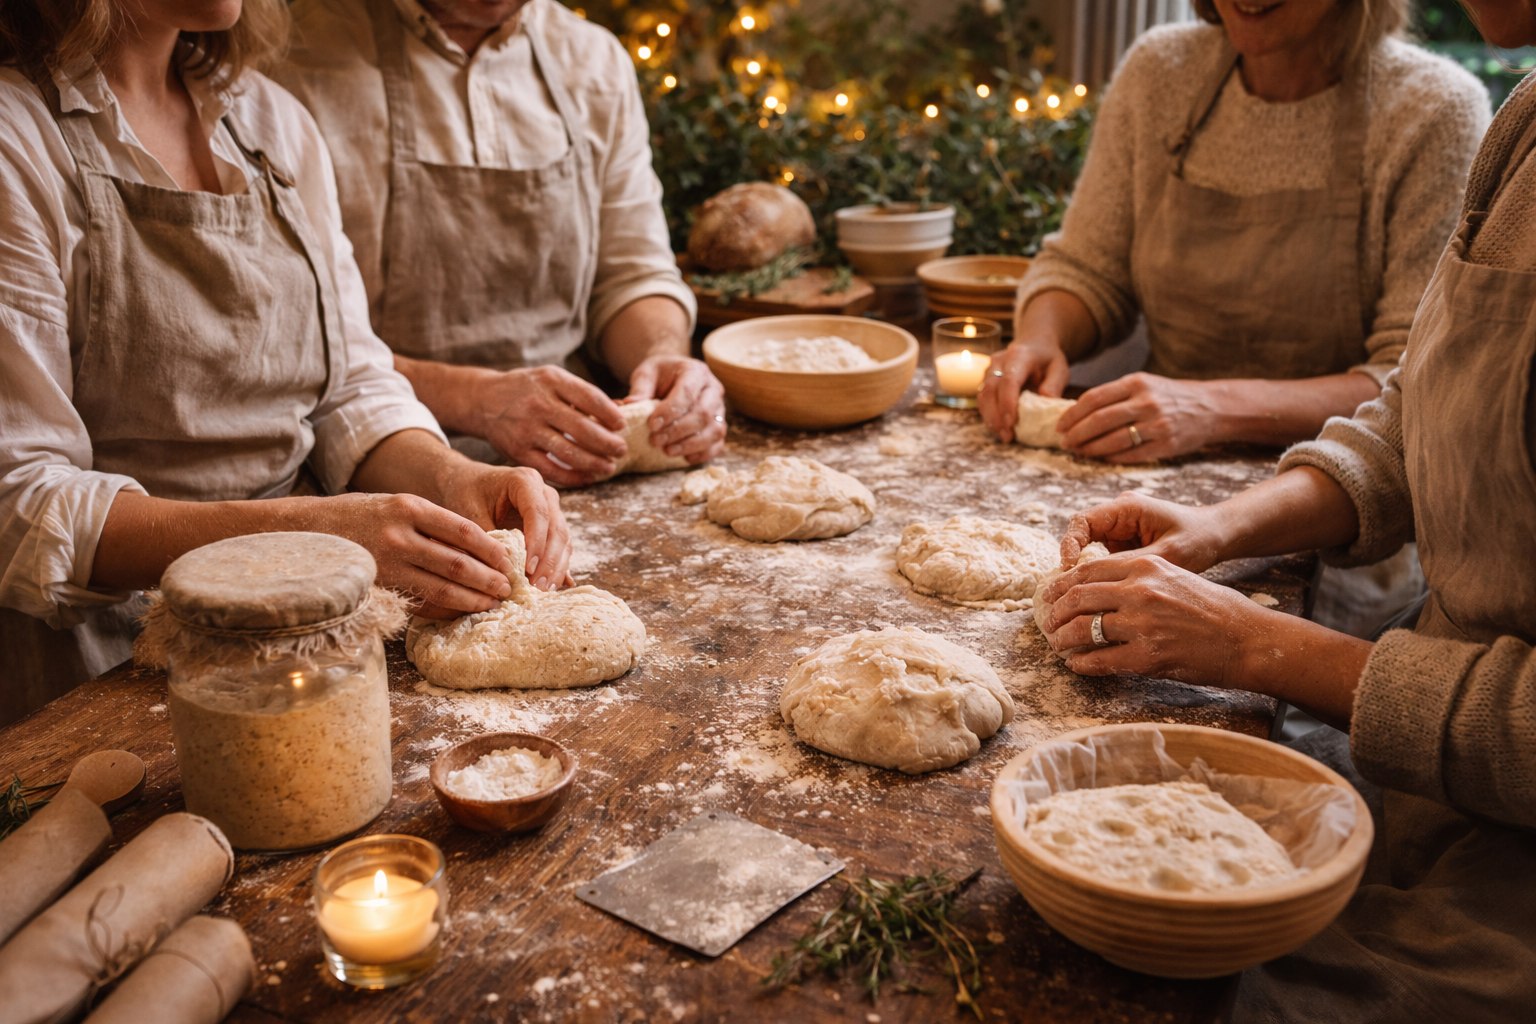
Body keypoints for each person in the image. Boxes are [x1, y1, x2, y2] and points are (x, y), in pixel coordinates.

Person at [1034, 2, 1536, 1012]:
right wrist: (1220, 529)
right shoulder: (1528, 122)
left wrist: (1253, 644)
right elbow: (1418, 410)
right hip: (1418, 774)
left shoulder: (1440, 107)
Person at [0, 0, 571, 723]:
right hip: (105, 676)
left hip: (316, 640)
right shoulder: (18, 140)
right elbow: (19, 503)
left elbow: (346, 387)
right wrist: (308, 542)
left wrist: (448, 477)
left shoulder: (266, 120)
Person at [978, 0, 1488, 464]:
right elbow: (1088, 268)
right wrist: (1041, 337)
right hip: (1152, 457)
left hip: (1333, 489)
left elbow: (1408, 382)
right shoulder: (1161, 71)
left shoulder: (1434, 110)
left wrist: (1210, 409)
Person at [273, 0, 726, 488]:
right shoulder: (290, 57)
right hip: (382, 459)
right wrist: (477, 399)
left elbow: (631, 274)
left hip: (574, 452)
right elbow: (293, 338)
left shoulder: (593, 60)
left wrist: (661, 361)